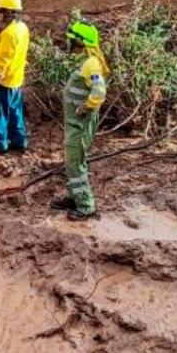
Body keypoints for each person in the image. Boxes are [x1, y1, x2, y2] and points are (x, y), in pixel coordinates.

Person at [50, 20, 109, 221]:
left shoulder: (92, 64)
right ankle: (74, 196)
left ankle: (85, 206)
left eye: (72, 40)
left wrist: (86, 107)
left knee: (75, 163)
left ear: (80, 42)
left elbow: (99, 90)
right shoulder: (86, 62)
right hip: (75, 123)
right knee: (72, 162)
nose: (69, 43)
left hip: (80, 124)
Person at [0, 0, 30, 155]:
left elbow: (2, 61)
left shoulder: (8, 34)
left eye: (2, 11)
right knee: (15, 111)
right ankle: (19, 142)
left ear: (10, 12)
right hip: (17, 79)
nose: (0, 15)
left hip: (4, 81)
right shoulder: (22, 28)